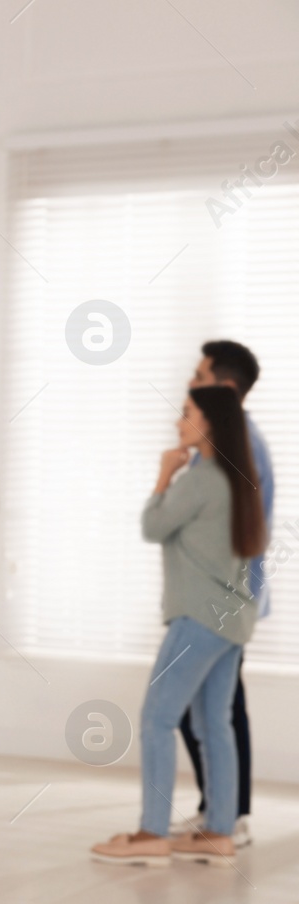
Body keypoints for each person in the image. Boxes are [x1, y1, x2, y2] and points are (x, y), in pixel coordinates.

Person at [92, 387, 265, 868]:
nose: (177, 422)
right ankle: (220, 832)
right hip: (232, 620)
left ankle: (151, 833)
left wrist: (163, 474)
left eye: (185, 413)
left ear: (208, 422)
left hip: (199, 618)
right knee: (215, 724)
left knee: (156, 718)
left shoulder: (200, 478)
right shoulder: (237, 479)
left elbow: (153, 526)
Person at [172, 341, 273, 848]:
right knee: (212, 708)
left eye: (199, 376)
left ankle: (228, 818)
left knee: (218, 708)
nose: (190, 384)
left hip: (223, 599)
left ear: (225, 388)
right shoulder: (224, 443)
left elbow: (239, 531)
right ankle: (220, 812)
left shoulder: (243, 446)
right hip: (212, 597)